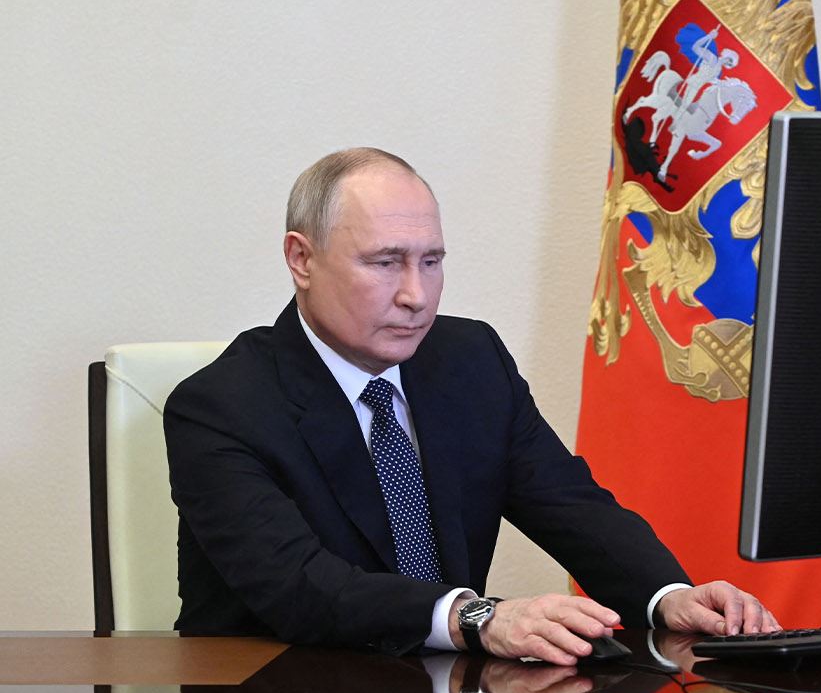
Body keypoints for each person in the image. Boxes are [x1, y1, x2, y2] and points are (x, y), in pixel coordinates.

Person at [165, 147, 779, 664]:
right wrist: (477, 616)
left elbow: (569, 503)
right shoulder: (218, 407)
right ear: (301, 259)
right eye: (385, 263)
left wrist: (667, 595)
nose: (416, 295)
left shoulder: (470, 359)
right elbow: (297, 586)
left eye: (431, 262)